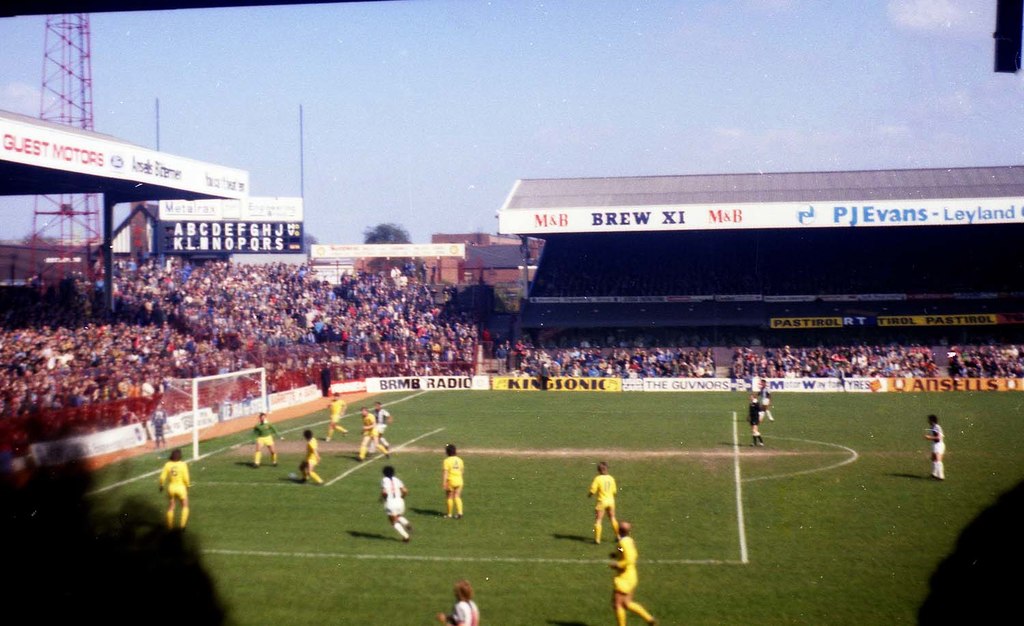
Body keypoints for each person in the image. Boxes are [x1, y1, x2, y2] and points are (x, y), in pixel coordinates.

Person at [609, 521, 656, 626]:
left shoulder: (623, 543)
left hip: (624, 578)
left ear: (618, 530)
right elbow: (623, 551)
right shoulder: (629, 541)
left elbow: (629, 558)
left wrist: (617, 565)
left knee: (617, 605)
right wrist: (615, 553)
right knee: (627, 603)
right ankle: (650, 619)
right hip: (632, 576)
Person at [589, 461, 620, 544]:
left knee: (598, 520)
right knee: (613, 518)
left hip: (602, 502)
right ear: (607, 469)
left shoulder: (598, 479)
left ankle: (597, 539)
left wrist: (589, 495)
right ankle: (618, 536)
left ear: (598, 470)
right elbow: (614, 491)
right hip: (611, 501)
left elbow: (593, 490)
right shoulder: (611, 478)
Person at [158, 447, 191, 530]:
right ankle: (182, 526)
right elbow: (186, 478)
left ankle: (170, 527)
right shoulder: (183, 464)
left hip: (171, 488)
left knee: (171, 506)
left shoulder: (167, 464)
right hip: (181, 488)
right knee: (185, 505)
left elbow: (162, 477)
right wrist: (188, 486)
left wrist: (161, 485)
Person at [381, 465, 412, 542]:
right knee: (398, 516)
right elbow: (405, 491)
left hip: (391, 502)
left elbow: (384, 492)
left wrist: (384, 498)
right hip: (400, 501)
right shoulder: (397, 479)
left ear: (384, 473)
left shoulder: (384, 480)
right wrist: (402, 497)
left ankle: (406, 536)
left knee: (393, 521)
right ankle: (406, 523)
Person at [442, 443, 465, 519]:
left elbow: (445, 472)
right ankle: (460, 513)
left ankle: (449, 514)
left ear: (447, 452)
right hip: (459, 481)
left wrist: (444, 482)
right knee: (457, 496)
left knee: (449, 497)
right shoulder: (460, 460)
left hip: (451, 481)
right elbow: (462, 471)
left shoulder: (446, 461)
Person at [924, 414, 946, 480]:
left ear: (932, 420)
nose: (928, 421)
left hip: (938, 445)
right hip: (935, 444)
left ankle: (941, 476)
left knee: (938, 460)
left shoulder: (937, 427)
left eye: (929, 420)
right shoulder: (932, 427)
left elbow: (939, 437)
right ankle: (934, 474)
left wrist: (929, 437)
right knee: (933, 459)